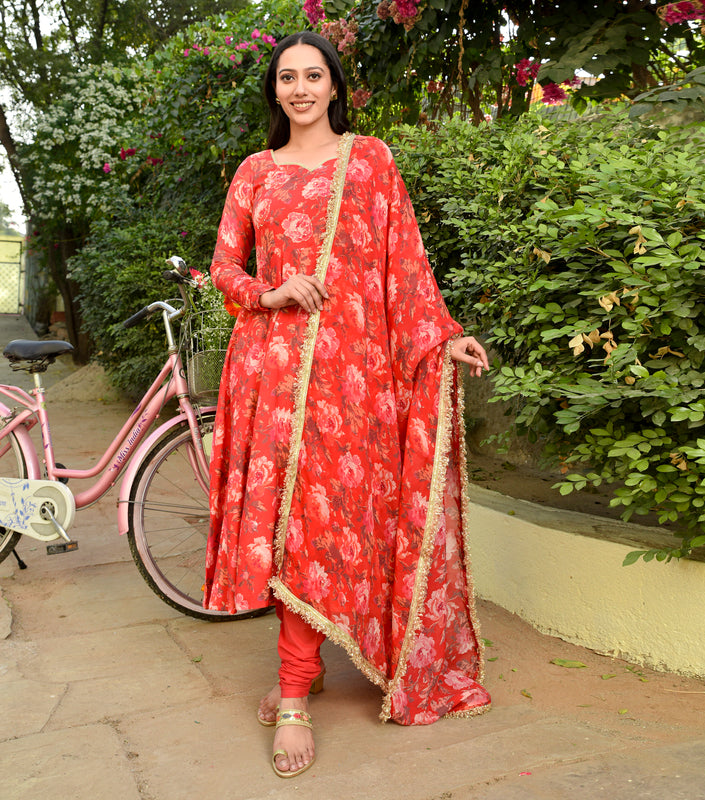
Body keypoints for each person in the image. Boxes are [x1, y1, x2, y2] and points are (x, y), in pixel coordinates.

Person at [203, 30, 491, 779]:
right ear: (275, 91)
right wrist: (269, 292)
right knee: (285, 531)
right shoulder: (255, 171)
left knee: (331, 526)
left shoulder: (370, 161)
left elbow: (406, 265)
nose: (299, 88)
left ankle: (304, 673)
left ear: (335, 85)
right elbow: (224, 265)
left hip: (352, 380)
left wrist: (441, 337)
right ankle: (298, 690)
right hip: (269, 372)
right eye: (286, 77)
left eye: (313, 75)